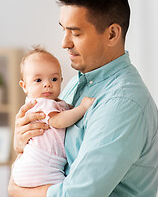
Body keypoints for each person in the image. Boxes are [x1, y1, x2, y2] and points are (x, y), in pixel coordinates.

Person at [8, 0, 158, 197]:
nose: (64, 43)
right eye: (63, 29)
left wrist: (16, 189)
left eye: (75, 33)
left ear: (111, 34)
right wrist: (22, 144)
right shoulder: (76, 85)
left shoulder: (122, 103)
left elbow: (78, 194)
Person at [11, 46, 95, 187]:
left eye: (54, 79)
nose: (48, 84)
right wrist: (82, 108)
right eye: (38, 80)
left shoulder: (55, 103)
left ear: (61, 80)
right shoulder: (42, 104)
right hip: (41, 165)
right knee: (65, 189)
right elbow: (59, 121)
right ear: (24, 86)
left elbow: (65, 112)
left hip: (37, 164)